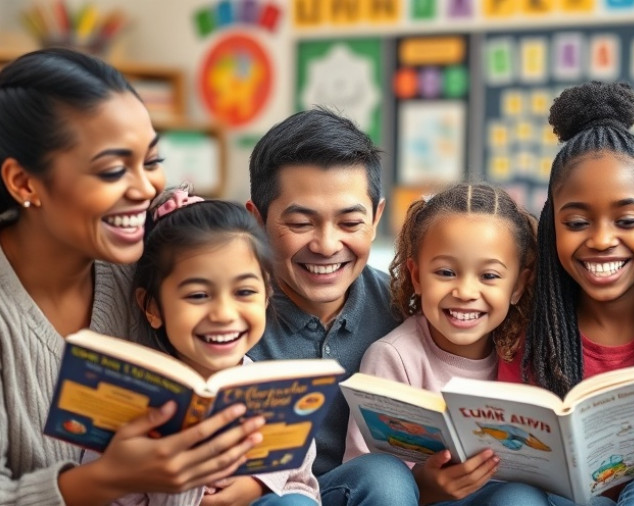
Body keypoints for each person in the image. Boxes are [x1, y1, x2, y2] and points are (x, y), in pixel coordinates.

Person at [0, 48, 263, 505]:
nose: (146, 188)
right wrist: (108, 480)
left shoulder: (146, 269)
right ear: (24, 183)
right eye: (113, 170)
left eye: (153, 161)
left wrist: (253, 482)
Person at [497, 81, 634, 504]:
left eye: (626, 221)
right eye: (577, 222)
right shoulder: (528, 342)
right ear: (553, 228)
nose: (602, 240)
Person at [82, 188, 320, 505]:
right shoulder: (128, 405)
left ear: (266, 295)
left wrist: (258, 487)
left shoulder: (279, 396)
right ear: (152, 307)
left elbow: (305, 489)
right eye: (197, 295)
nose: (223, 314)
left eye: (244, 291)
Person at [344, 183, 559, 505]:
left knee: (521, 497)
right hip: (414, 499)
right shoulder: (394, 356)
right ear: (415, 276)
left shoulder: (528, 354)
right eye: (446, 272)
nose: (466, 291)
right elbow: (367, 476)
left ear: (518, 285)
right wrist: (424, 486)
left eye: (489, 276)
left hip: (496, 498)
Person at [246, 108, 417, 505]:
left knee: (386, 477)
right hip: (264, 497)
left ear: (376, 218)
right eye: (301, 223)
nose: (326, 245)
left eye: (349, 223)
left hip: (370, 491)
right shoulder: (225, 316)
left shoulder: (407, 311)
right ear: (255, 221)